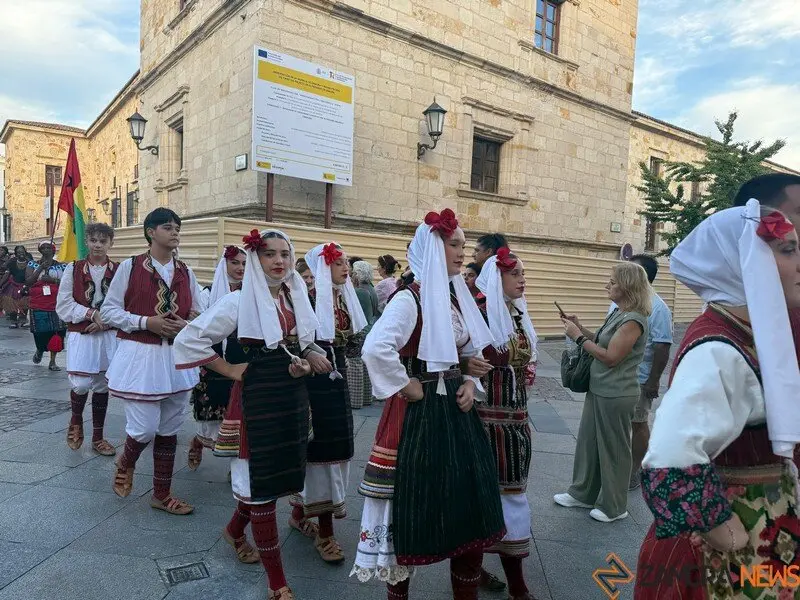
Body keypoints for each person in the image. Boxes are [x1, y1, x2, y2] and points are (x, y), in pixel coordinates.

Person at [634, 200, 800, 599]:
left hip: (764, 524)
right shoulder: (719, 347)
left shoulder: (748, 333)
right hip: (730, 543)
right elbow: (669, 461)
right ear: (743, 261)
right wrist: (721, 527)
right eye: (788, 250)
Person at [351, 208, 505, 600]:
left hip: (456, 414)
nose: (461, 253)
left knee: (467, 512)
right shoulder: (410, 298)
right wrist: (407, 385)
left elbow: (470, 351)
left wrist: (470, 381)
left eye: (463, 246)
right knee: (411, 513)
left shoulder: (455, 297)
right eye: (453, 244)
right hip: (418, 419)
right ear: (433, 248)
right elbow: (376, 348)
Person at [175, 229, 319, 600]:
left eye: (285, 254)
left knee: (276, 478)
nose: (279, 261)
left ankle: (235, 531)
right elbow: (189, 339)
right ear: (256, 259)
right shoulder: (239, 301)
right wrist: (229, 369)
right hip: (256, 398)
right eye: (269, 254)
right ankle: (276, 582)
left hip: (290, 396)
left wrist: (308, 361)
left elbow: (302, 344)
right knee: (259, 484)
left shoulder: (295, 296)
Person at [100, 208, 203, 515]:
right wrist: (147, 322)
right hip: (141, 358)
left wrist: (186, 324)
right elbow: (109, 312)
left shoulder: (186, 271)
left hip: (177, 359)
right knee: (144, 429)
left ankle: (162, 493)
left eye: (177, 228)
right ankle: (127, 459)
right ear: (151, 232)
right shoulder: (130, 268)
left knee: (170, 428)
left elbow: (199, 311)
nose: (175, 233)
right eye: (168, 227)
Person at [290, 242, 368, 564]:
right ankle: (325, 532)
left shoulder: (343, 301)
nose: (345, 267)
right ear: (324, 268)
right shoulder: (307, 301)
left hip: (336, 385)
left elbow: (353, 342)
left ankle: (298, 513)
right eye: (338, 262)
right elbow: (291, 341)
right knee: (319, 453)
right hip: (312, 387)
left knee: (335, 451)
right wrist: (309, 356)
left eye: (346, 262)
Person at [555, 261, 650, 522]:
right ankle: (582, 493)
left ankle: (615, 507)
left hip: (616, 392)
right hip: (600, 389)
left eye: (613, 281)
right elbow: (601, 340)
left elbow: (610, 357)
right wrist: (580, 327)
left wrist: (578, 337)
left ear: (628, 286)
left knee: (614, 451)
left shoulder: (634, 320)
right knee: (589, 443)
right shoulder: (619, 312)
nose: (607, 285)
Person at [474, 247, 539, 600]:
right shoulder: (481, 313)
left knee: (513, 494)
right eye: (516, 274)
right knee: (488, 495)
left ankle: (505, 575)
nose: (523, 280)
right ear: (497, 278)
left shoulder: (516, 314)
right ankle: (489, 572)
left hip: (515, 421)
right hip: (485, 421)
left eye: (523, 274)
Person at [608, 255, 673, 491]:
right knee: (619, 425)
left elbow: (663, 345)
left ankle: (635, 470)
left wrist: (653, 381)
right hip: (617, 375)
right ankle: (617, 467)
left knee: (638, 422)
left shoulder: (657, 307)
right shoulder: (619, 302)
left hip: (639, 376)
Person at [56, 223, 118, 456]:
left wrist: (106, 322)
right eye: (94, 240)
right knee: (81, 384)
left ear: (111, 243)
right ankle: (75, 420)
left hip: (108, 336)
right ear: (87, 242)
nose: (98, 245)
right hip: (81, 335)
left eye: (103, 241)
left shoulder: (120, 270)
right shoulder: (73, 269)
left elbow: (126, 304)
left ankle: (98, 437)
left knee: (102, 385)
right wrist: (91, 313)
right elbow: (63, 305)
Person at [187, 245, 246, 471]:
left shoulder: (250, 294)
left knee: (241, 416)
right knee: (213, 416)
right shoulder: (208, 294)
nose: (240, 267)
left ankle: (237, 466)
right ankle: (199, 441)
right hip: (213, 360)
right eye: (235, 263)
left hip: (240, 357)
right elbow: (198, 327)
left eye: (244, 263)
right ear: (225, 265)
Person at [26, 242, 67, 370]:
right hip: (38, 303)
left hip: (56, 303)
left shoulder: (61, 267)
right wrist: (40, 268)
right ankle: (40, 349)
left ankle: (52, 361)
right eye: (43, 248)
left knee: (57, 332)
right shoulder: (32, 264)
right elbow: (28, 281)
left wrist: (52, 280)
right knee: (40, 332)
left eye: (48, 247)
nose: (45, 250)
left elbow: (67, 283)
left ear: (53, 251)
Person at [349, 260, 378, 410]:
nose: (351, 274)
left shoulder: (360, 291)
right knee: (363, 364)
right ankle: (366, 396)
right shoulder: (371, 289)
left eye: (353, 271)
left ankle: (355, 399)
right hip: (370, 328)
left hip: (362, 330)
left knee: (355, 363)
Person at [3, 246, 30, 328]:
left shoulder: (30, 262)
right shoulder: (12, 262)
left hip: (25, 285)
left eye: (22, 251)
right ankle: (13, 320)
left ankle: (23, 319)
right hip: (13, 285)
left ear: (25, 252)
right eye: (18, 252)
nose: (21, 253)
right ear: (15, 254)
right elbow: (7, 274)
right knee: (11, 303)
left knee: (25, 303)